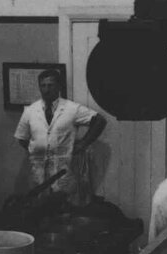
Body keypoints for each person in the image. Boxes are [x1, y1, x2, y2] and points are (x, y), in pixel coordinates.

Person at [14, 69, 107, 204]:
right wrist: (37, 150)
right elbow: (22, 138)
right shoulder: (30, 111)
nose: (46, 90)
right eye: (43, 86)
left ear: (58, 86)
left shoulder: (72, 109)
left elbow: (99, 121)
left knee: (66, 211)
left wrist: (83, 144)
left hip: (64, 171)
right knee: (41, 211)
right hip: (38, 172)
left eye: (50, 85)